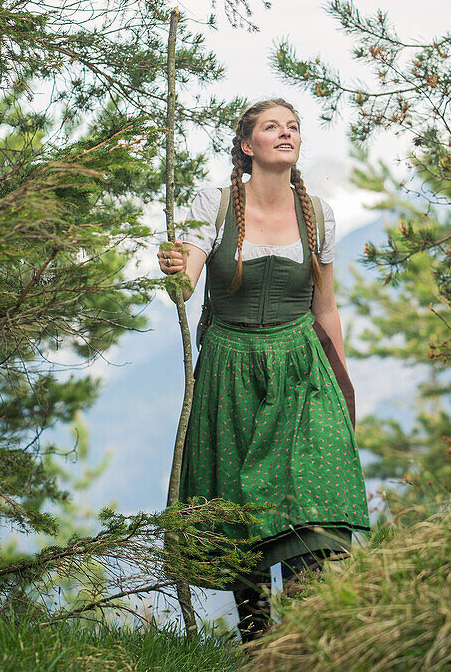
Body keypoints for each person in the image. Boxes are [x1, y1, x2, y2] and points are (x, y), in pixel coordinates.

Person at [157, 98, 369, 642]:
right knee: (241, 508)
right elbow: (186, 285)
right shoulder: (218, 204)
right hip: (231, 368)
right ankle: (257, 640)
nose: (286, 133)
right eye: (272, 126)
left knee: (313, 498)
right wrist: (177, 269)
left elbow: (325, 307)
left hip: (302, 367)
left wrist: (343, 386)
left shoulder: (317, 214)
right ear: (248, 146)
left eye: (293, 127)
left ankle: (301, 638)